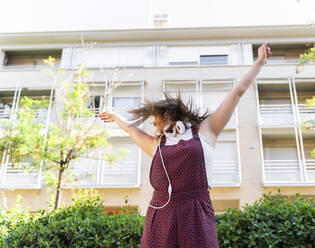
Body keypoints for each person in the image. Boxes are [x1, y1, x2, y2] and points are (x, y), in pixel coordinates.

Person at [98, 42, 271, 247]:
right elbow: (131, 130)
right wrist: (116, 117)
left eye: (156, 119)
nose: (153, 124)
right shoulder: (157, 146)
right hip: (161, 214)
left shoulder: (206, 131)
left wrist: (260, 62)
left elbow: (236, 93)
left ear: (170, 116)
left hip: (195, 213)